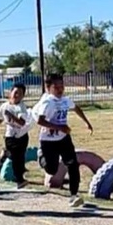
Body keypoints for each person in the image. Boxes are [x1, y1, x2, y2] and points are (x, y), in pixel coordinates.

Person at [33, 73, 93, 208]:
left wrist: (86, 122)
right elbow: (40, 121)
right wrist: (59, 127)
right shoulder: (47, 102)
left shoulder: (65, 100)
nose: (60, 90)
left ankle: (74, 195)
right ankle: (41, 155)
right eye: (56, 87)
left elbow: (76, 108)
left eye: (62, 86)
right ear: (48, 88)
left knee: (72, 164)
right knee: (51, 170)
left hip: (64, 139)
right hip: (48, 141)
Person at [0, 83, 32, 188]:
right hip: (10, 136)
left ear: (23, 96)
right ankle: (19, 179)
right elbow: (0, 118)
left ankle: (20, 179)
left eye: (20, 94)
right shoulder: (4, 106)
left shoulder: (21, 107)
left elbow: (21, 123)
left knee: (19, 157)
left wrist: (12, 116)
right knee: (15, 156)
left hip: (21, 136)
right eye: (15, 92)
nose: (17, 95)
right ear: (10, 92)